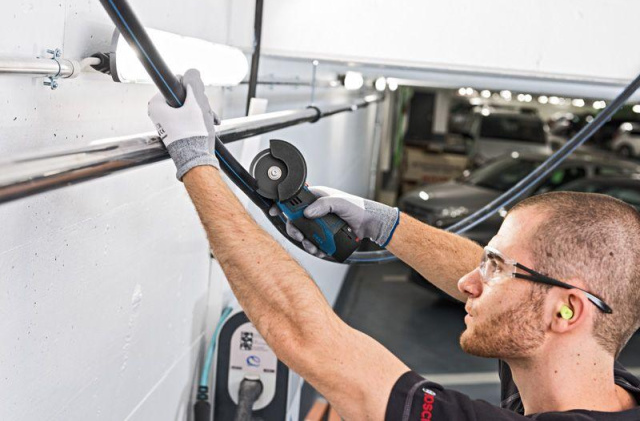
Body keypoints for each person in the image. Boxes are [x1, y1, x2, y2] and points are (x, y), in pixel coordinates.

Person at [148, 69, 640, 420]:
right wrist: (381, 223)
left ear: (567, 311)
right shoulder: (588, 374)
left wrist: (194, 160)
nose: (468, 281)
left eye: (494, 269)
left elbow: (309, 337)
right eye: (488, 262)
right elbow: (520, 283)